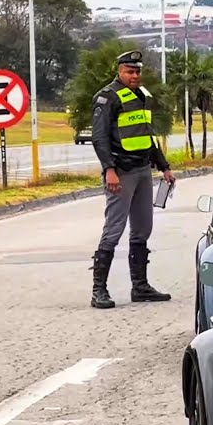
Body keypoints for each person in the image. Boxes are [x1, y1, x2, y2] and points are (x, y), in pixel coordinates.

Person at [89, 49, 176, 309]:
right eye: (129, 71)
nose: (135, 75)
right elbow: (99, 137)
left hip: (142, 171)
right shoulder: (108, 98)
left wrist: (164, 167)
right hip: (121, 173)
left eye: (137, 71)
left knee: (142, 229)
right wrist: (109, 169)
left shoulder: (142, 97)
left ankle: (140, 287)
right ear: (119, 71)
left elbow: (147, 137)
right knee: (114, 230)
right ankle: (99, 290)